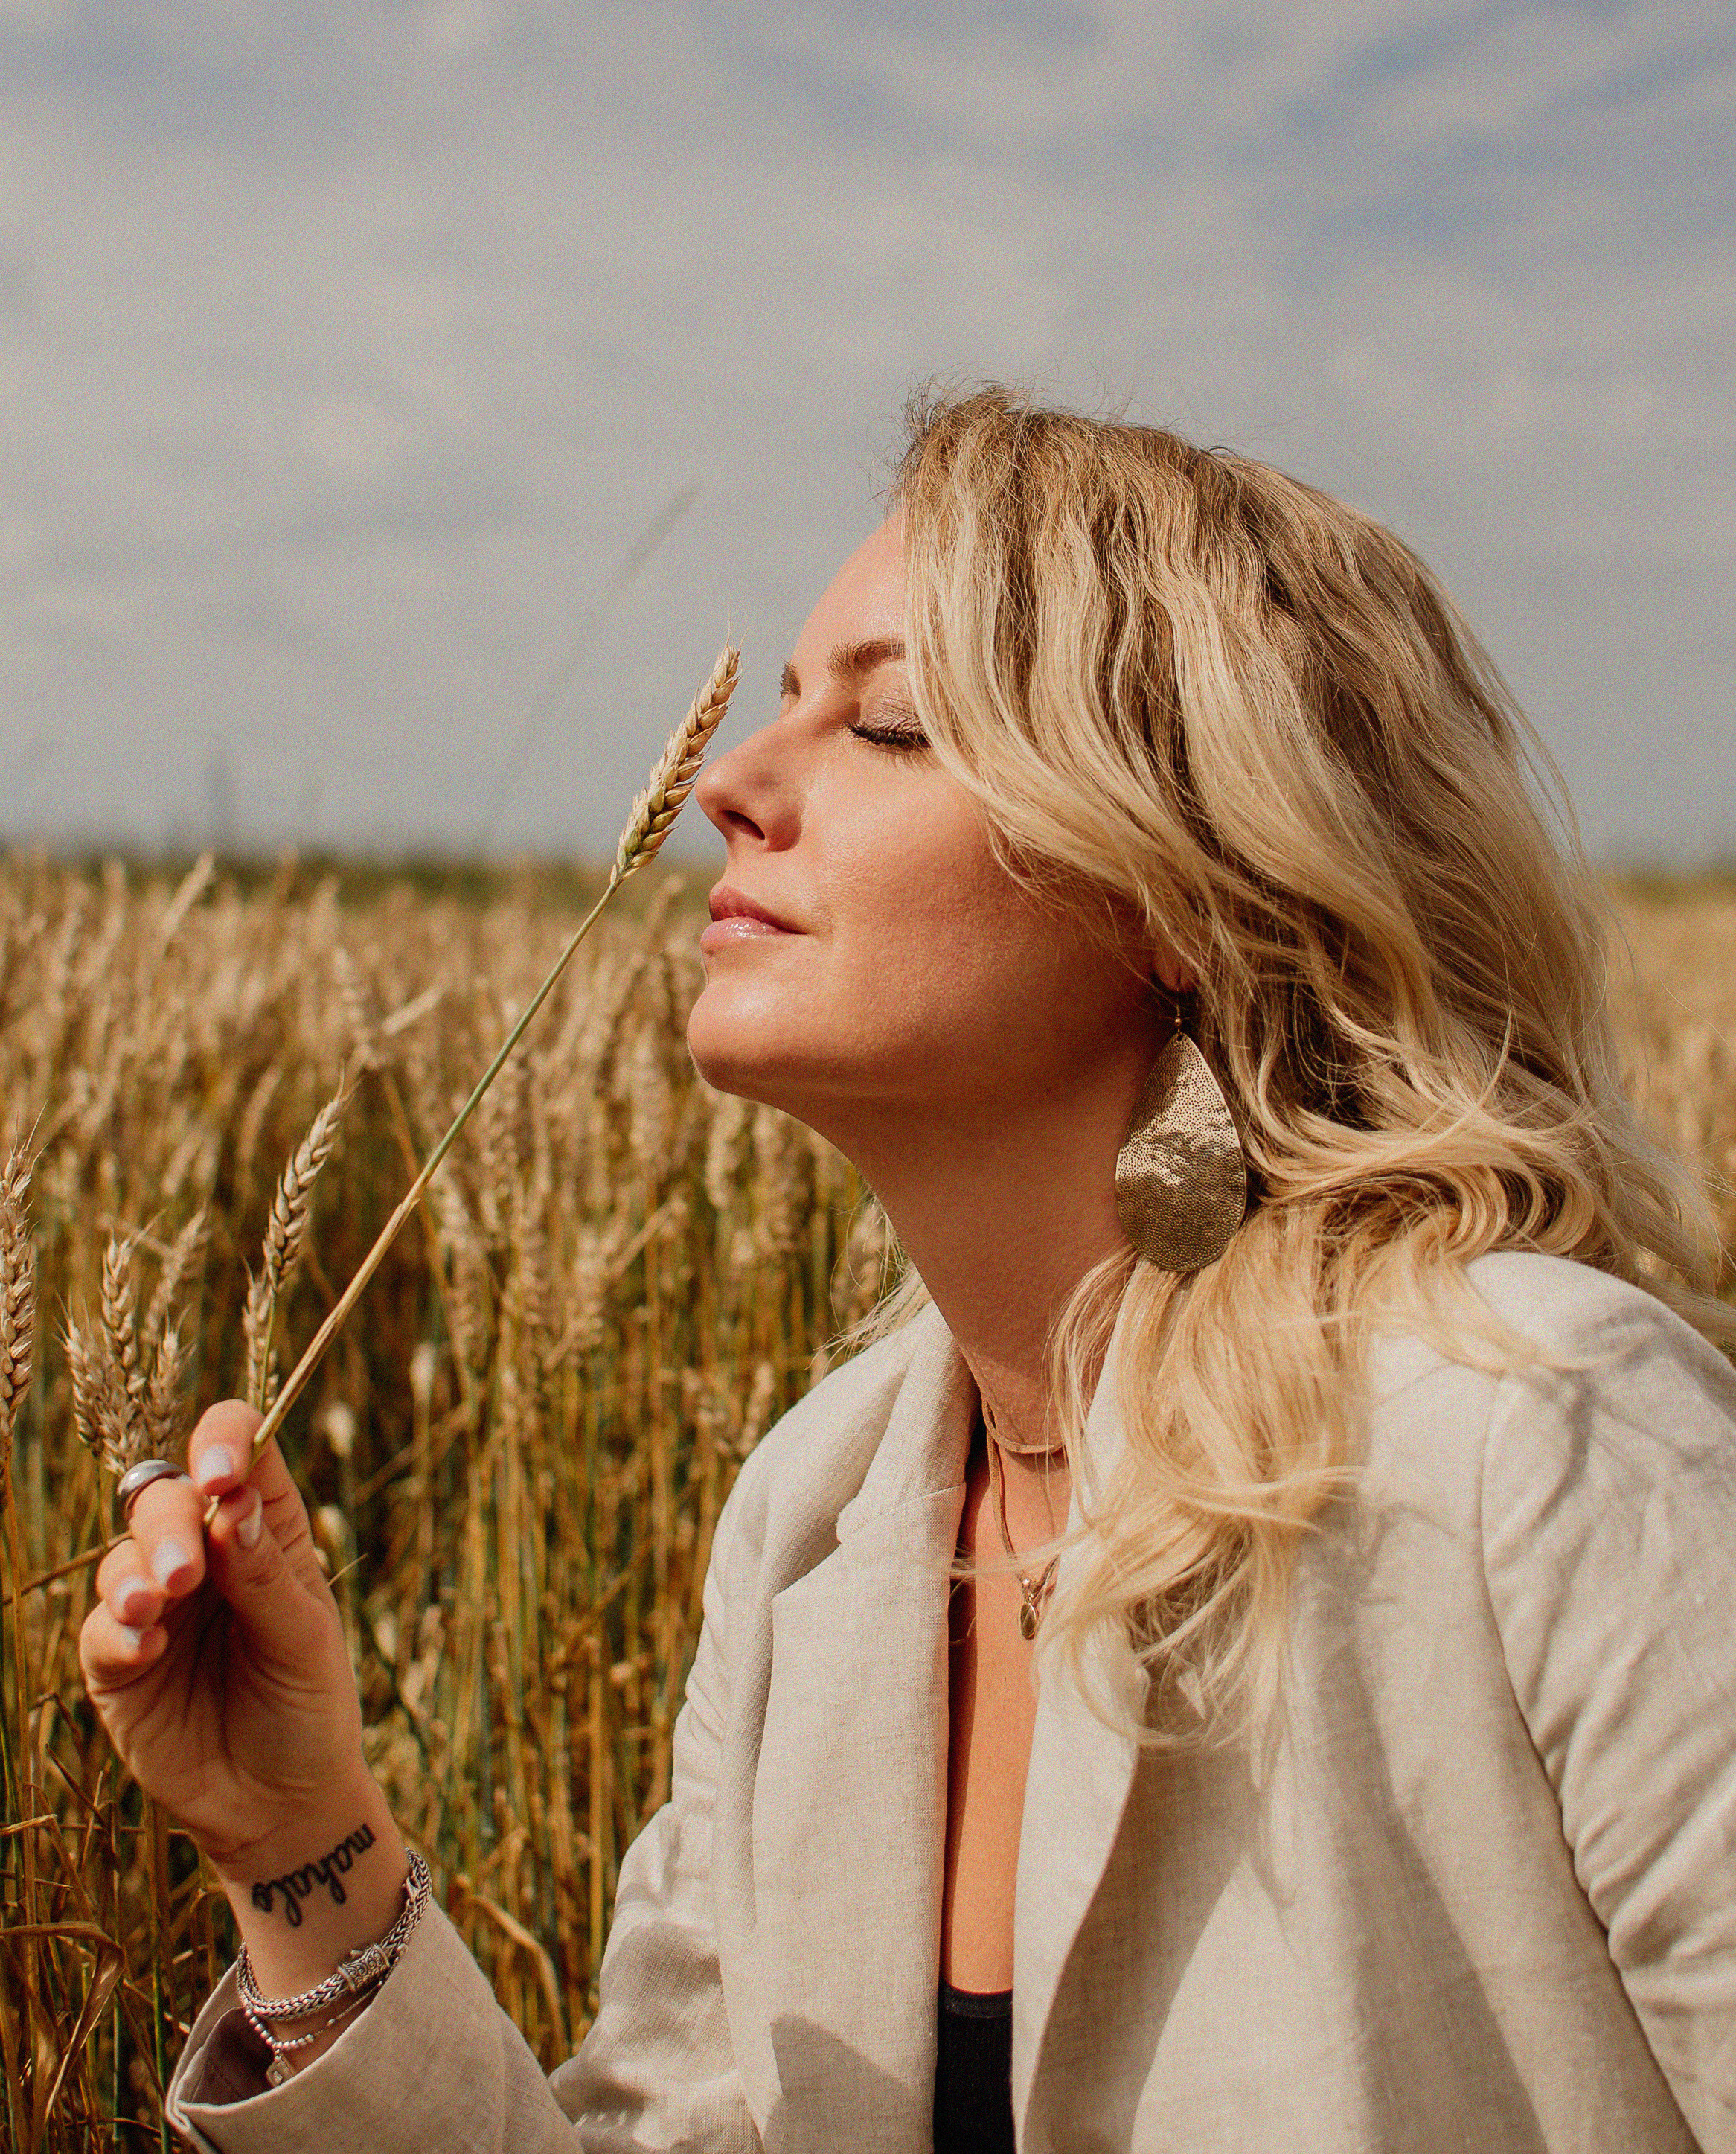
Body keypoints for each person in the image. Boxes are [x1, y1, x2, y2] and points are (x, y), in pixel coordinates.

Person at [83, 385, 1736, 2154]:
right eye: (784, 703)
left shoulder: (1540, 1438)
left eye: (885, 724)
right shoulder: (817, 1514)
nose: (725, 785)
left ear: (1185, 892)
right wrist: (300, 1840)